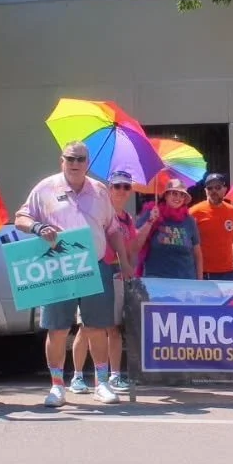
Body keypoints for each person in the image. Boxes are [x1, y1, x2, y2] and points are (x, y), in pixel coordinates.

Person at [16, 140, 127, 408]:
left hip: (95, 264)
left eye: (80, 159)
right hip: (59, 265)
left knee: (97, 327)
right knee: (57, 329)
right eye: (70, 158)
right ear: (61, 160)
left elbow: (112, 229)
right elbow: (21, 217)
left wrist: (125, 261)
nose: (75, 163)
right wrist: (38, 227)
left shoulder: (100, 191)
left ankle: (101, 383)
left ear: (87, 162)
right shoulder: (45, 188)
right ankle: (57, 387)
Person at [70, 169, 137, 396]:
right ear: (109, 188)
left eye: (126, 187)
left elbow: (130, 249)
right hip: (92, 271)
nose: (121, 190)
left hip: (116, 274)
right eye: (117, 186)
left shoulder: (127, 219)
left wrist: (128, 267)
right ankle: (77, 377)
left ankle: (114, 376)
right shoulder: (96, 210)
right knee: (87, 327)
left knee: (113, 328)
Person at [138, 177, 204, 279]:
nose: (178, 197)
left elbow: (197, 254)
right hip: (157, 281)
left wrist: (200, 281)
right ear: (166, 195)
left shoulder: (189, 220)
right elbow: (136, 243)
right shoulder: (152, 213)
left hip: (186, 282)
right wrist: (150, 221)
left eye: (182, 194)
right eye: (174, 193)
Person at [190, 172, 233, 280]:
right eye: (210, 188)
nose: (214, 191)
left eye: (218, 187)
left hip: (229, 272)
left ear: (225, 189)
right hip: (205, 272)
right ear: (205, 191)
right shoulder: (194, 212)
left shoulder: (232, 210)